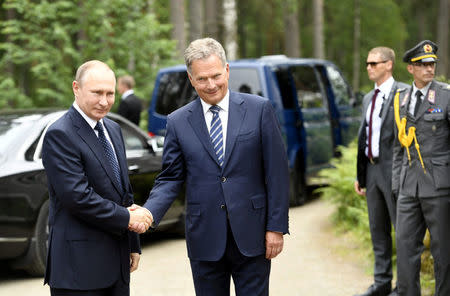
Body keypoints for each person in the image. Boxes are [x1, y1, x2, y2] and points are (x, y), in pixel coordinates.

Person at [140, 37, 289, 295]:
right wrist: (148, 213)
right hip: (204, 237)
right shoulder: (177, 121)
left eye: (216, 76)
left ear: (227, 70)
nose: (211, 85)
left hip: (253, 233)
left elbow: (276, 172)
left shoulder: (259, 110)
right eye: (201, 79)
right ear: (190, 78)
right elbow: (170, 178)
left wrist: (276, 227)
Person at [42, 60, 153, 296]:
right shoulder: (60, 134)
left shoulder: (113, 129)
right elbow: (77, 197)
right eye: (97, 93)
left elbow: (124, 193)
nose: (104, 101)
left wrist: (133, 244)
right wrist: (128, 219)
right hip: (78, 271)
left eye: (110, 93)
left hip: (117, 265)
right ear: (76, 88)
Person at [392, 40, 450, 296]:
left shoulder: (446, 96)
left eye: (432, 64)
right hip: (408, 187)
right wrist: (397, 184)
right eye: (423, 65)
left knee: (443, 251)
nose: (429, 68)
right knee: (404, 249)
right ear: (410, 69)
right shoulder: (401, 99)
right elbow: (397, 147)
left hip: (439, 186)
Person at [354, 47, 407, 296]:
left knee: (403, 231)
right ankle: (382, 282)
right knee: (378, 230)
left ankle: (404, 286)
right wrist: (361, 175)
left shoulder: (404, 94)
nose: (369, 67)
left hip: (396, 172)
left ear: (389, 65)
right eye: (367, 63)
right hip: (373, 172)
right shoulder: (368, 98)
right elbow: (365, 137)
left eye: (374, 63)